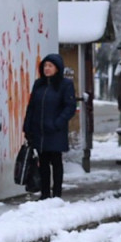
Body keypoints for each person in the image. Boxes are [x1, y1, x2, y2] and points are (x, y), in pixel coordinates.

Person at [24, 53, 77, 198]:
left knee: (56, 161)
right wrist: (27, 126)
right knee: (43, 163)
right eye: (45, 66)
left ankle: (57, 193)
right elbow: (32, 106)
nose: (47, 69)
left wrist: (57, 123)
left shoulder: (65, 85)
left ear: (57, 68)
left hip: (55, 130)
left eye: (50, 66)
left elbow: (70, 107)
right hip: (39, 130)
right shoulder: (39, 84)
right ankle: (45, 193)